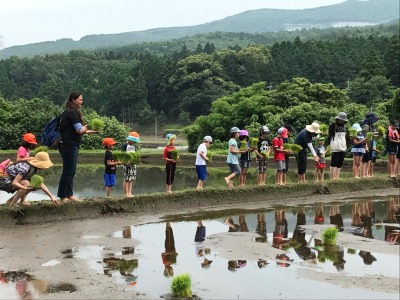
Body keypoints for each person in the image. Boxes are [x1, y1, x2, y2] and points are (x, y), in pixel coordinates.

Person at [57, 92, 97, 202]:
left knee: (71, 170)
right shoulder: (72, 112)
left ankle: (69, 194)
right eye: (80, 99)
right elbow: (79, 130)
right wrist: (84, 128)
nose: (81, 102)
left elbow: (78, 130)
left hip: (71, 144)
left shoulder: (70, 111)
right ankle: (62, 196)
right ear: (73, 100)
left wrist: (88, 131)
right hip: (68, 145)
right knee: (68, 170)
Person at [11, 133, 38, 205]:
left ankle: (23, 200)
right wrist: (29, 158)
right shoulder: (22, 149)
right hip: (21, 169)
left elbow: (25, 159)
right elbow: (18, 159)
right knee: (25, 185)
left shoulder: (27, 149)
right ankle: (15, 202)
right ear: (26, 143)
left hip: (25, 169)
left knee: (29, 184)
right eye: (31, 143)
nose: (32, 145)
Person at [327, 112, 349, 181]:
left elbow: (346, 136)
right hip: (335, 144)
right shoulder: (333, 125)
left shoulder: (344, 126)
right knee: (334, 161)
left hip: (342, 144)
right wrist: (328, 145)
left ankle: (337, 177)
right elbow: (329, 135)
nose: (341, 121)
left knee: (340, 162)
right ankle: (332, 177)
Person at [360, 112, 379, 178]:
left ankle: (366, 174)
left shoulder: (371, 126)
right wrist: (366, 146)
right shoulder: (366, 126)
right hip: (366, 145)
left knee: (368, 160)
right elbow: (364, 136)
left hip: (370, 145)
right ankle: (363, 174)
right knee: (364, 160)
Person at [121, 132, 140, 197]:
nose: (134, 142)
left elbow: (135, 155)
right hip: (126, 164)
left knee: (131, 179)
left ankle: (130, 192)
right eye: (134, 141)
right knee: (126, 179)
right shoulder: (124, 146)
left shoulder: (134, 147)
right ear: (130, 140)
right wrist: (125, 162)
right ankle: (126, 193)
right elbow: (122, 155)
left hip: (133, 164)